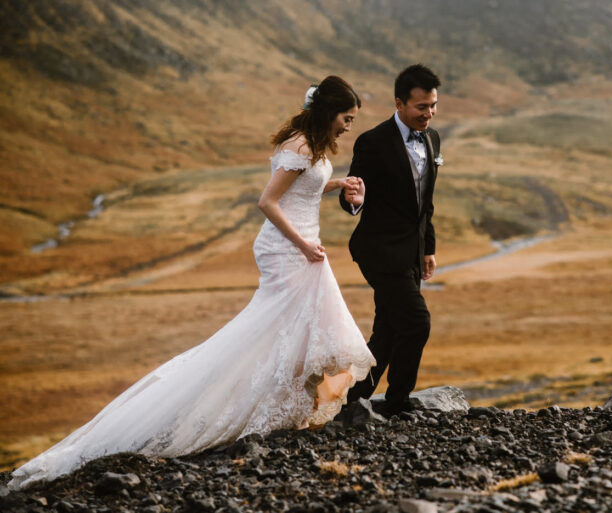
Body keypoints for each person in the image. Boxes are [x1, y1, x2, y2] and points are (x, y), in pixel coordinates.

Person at [8, 75, 375, 490]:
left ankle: (293, 408)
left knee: (306, 326)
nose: (349, 125)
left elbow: (300, 192)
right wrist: (304, 246)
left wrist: (337, 184)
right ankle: (269, 405)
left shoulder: (309, 146)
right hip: (289, 251)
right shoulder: (300, 146)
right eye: (347, 117)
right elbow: (267, 202)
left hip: (307, 247)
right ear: (329, 112)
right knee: (280, 327)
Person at [339, 64, 441, 417]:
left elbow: (425, 202)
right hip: (379, 251)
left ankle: (352, 399)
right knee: (415, 322)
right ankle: (398, 402)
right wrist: (353, 201)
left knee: (388, 327)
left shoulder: (433, 139)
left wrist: (427, 248)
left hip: (411, 252)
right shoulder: (373, 141)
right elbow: (354, 192)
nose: (428, 114)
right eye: (421, 107)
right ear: (399, 104)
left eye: (432, 106)